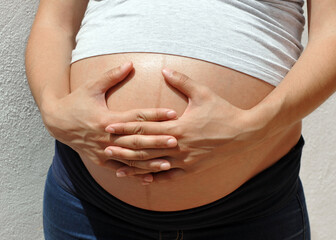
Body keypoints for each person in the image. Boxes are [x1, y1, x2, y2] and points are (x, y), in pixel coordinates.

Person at [25, 0, 336, 239]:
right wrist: (54, 111)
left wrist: (251, 128)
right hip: (87, 205)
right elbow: (55, 23)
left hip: (247, 211)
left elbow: (331, 30)